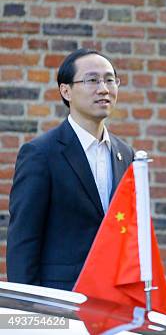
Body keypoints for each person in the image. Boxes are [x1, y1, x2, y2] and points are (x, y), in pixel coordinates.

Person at [7, 49, 134, 291]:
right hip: (60, 298)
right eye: (92, 80)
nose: (104, 89)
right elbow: (23, 240)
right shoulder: (41, 154)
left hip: (114, 298)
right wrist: (26, 313)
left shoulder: (125, 153)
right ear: (66, 91)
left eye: (110, 79)